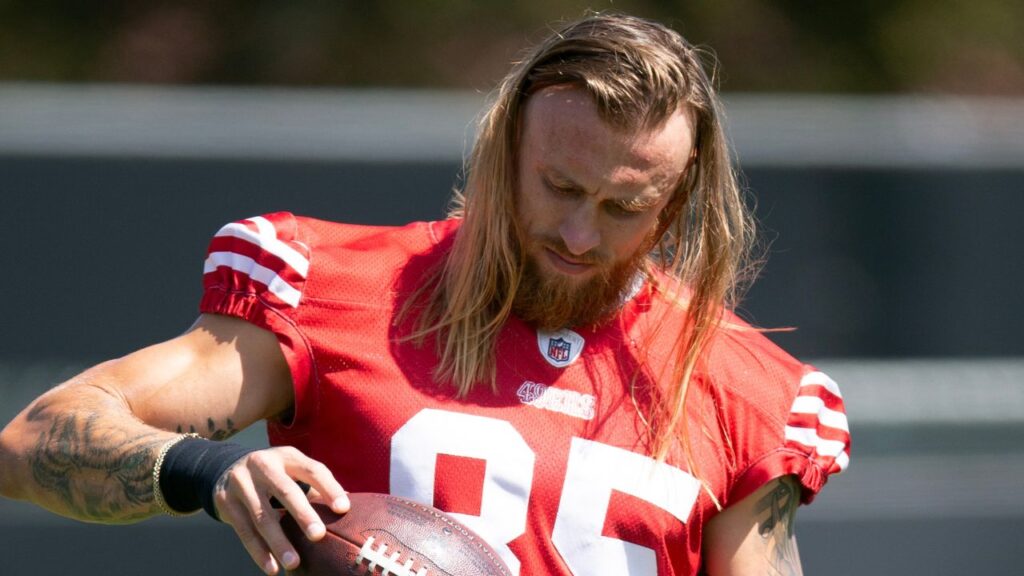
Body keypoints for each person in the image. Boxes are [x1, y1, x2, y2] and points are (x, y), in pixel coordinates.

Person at [0, 13, 850, 576]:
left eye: (625, 207)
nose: (582, 236)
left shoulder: (746, 392)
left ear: (676, 200)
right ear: (502, 155)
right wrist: (209, 467)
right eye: (558, 187)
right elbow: (33, 440)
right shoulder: (334, 290)